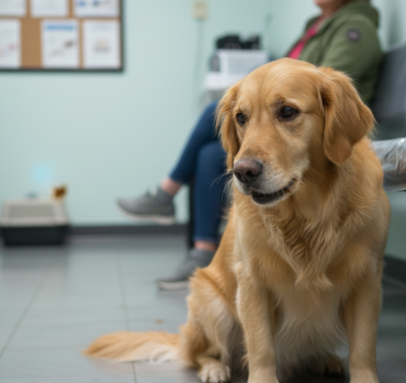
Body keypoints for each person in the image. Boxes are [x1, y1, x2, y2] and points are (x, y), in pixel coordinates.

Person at [117, 0, 383, 289]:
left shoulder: (355, 27)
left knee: (211, 112)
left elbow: (325, 87)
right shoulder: (314, 27)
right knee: (210, 155)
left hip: (327, 135)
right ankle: (203, 249)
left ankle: (165, 192)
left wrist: (281, 106)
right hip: (284, 132)